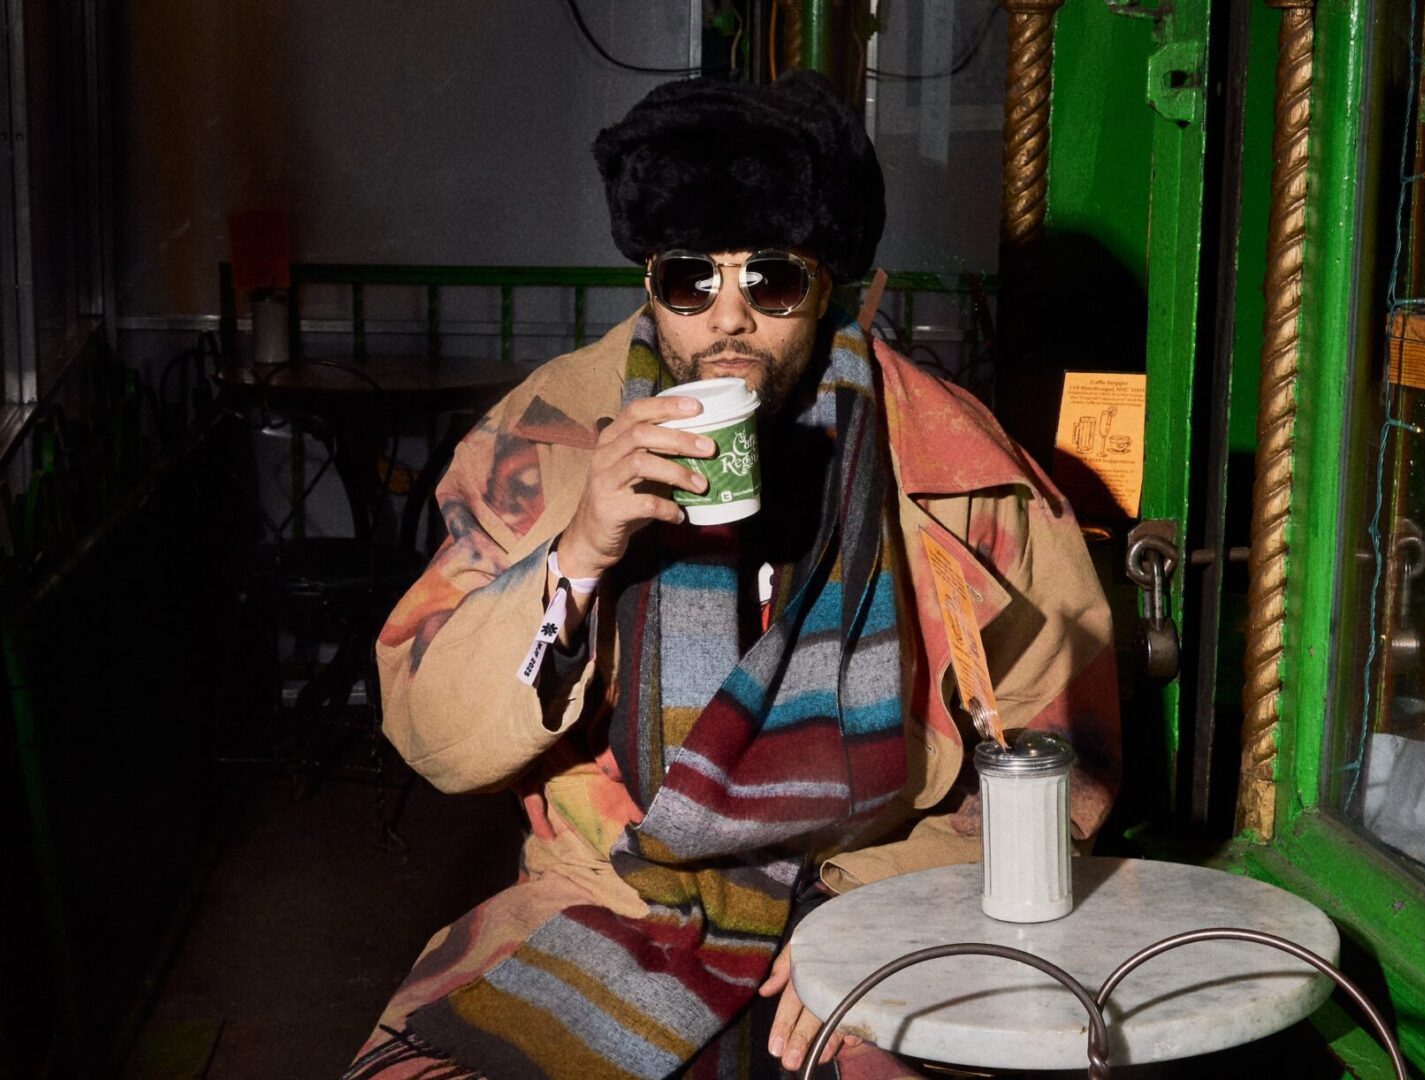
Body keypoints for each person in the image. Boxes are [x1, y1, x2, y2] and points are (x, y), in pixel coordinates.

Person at [347, 71, 1119, 1080]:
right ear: (649, 286)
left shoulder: (956, 465)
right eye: (690, 280)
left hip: (876, 892)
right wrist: (579, 550)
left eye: (771, 281)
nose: (728, 321)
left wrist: (885, 914)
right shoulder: (544, 436)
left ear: (827, 287)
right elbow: (430, 737)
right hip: (605, 900)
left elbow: (1062, 764)